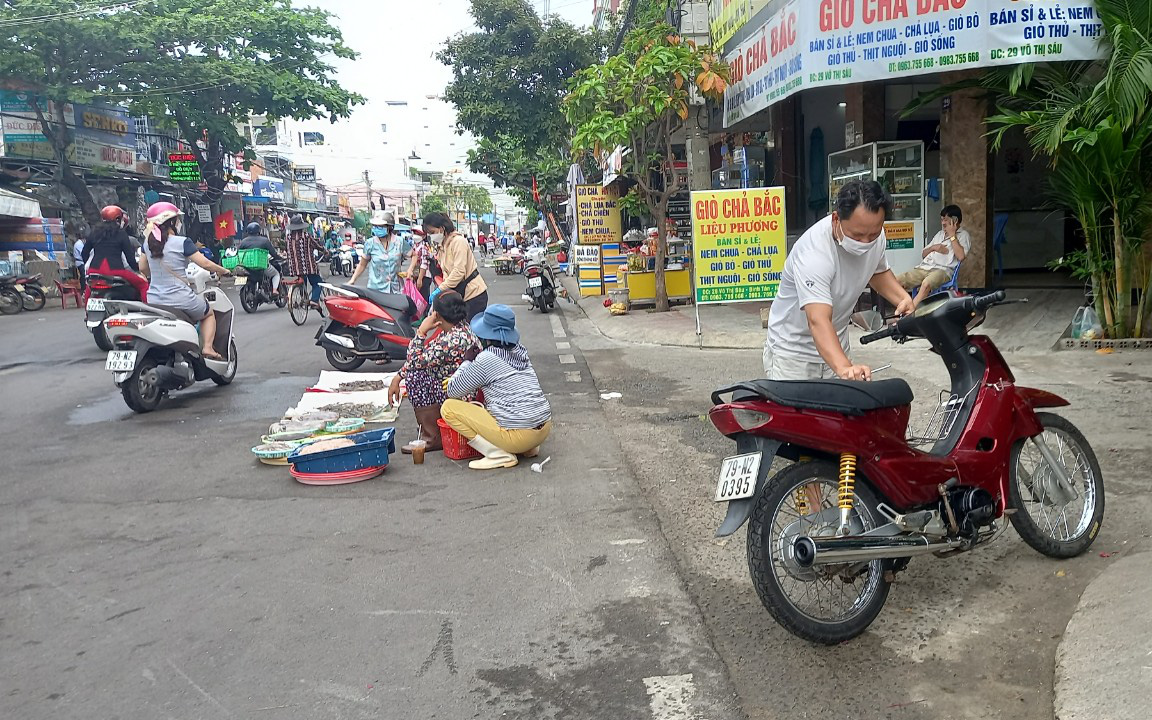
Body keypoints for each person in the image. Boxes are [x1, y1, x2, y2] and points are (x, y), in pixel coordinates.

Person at [764, 180, 915, 382]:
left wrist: (902, 298)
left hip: (837, 346)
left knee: (838, 413)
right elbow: (817, 319)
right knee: (800, 414)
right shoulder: (814, 253)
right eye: (857, 235)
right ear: (836, 219)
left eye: (873, 234)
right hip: (794, 355)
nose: (865, 243)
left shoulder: (875, 237)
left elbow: (877, 272)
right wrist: (845, 368)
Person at [441, 305, 551, 470]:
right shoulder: (520, 351)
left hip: (519, 436)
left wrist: (467, 361)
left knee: (448, 408)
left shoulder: (486, 359)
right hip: (543, 428)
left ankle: (498, 454)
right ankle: (527, 448)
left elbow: (453, 390)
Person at [388, 291, 480, 454]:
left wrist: (421, 333)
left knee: (415, 378)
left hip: (460, 395)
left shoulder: (453, 339)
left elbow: (416, 361)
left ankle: (432, 437)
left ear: (435, 314)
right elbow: (424, 357)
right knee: (414, 373)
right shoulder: (458, 329)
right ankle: (433, 429)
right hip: (458, 389)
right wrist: (398, 376)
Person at [138, 202, 232, 359]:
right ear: (172, 222)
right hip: (180, 299)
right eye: (177, 219)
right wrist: (224, 270)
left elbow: (143, 267)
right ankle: (208, 347)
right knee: (208, 313)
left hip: (154, 300)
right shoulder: (182, 242)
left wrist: (155, 274)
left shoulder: (147, 244)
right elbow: (205, 263)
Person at [896, 205, 970, 306]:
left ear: (955, 220)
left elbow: (961, 257)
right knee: (898, 280)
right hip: (925, 267)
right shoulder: (939, 234)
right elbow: (923, 254)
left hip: (943, 271)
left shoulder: (963, 235)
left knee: (926, 284)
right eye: (942, 219)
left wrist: (952, 236)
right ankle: (903, 307)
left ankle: (910, 312)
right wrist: (933, 248)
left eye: (946, 220)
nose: (943, 223)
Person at [423, 212, 489, 320]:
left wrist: (440, 289)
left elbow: (458, 272)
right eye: (428, 233)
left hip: (474, 295)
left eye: (432, 232)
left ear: (442, 228)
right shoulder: (442, 246)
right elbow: (446, 272)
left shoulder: (458, 242)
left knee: (469, 333)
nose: (431, 236)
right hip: (460, 296)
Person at [81, 205, 149, 301]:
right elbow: (130, 258)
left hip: (94, 269)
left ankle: (88, 312)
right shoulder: (121, 233)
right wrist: (138, 272)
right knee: (143, 284)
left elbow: (84, 253)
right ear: (118, 219)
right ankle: (147, 310)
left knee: (90, 287)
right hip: (115, 270)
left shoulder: (95, 232)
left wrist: (89, 266)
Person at [350, 210, 409, 293]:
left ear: (389, 227)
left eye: (380, 226)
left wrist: (410, 270)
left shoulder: (400, 242)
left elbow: (413, 255)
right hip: (375, 289)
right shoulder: (370, 243)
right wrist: (352, 280)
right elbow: (362, 265)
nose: (376, 229)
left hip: (395, 288)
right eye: (375, 226)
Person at [284, 214, 328, 308]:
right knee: (317, 283)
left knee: (302, 281)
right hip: (309, 266)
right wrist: (324, 250)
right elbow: (316, 245)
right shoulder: (306, 236)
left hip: (295, 267)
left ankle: (303, 297)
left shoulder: (287, 238)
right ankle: (314, 300)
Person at [237, 222, 286, 294]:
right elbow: (273, 253)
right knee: (276, 274)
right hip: (261, 265)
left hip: (246, 266)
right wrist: (280, 258)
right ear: (258, 230)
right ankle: (274, 290)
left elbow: (238, 253)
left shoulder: (243, 241)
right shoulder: (265, 240)